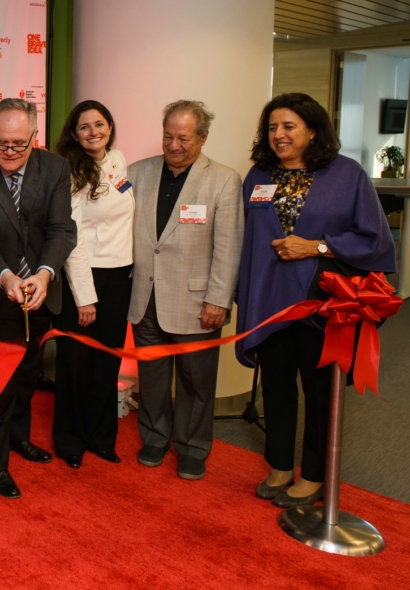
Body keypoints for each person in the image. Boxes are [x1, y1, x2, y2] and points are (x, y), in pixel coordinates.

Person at [236, 93, 395, 507]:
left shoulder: (347, 175)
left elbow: (374, 239)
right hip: (269, 300)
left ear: (312, 129)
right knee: (276, 385)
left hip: (322, 302)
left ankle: (315, 473)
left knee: (321, 391)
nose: (279, 135)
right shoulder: (258, 175)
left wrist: (318, 247)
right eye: (272, 127)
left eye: (289, 126)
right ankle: (281, 464)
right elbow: (245, 239)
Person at [0, 98, 76, 498]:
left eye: (18, 145)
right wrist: (6, 276)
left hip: (42, 289)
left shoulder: (56, 168)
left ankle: (18, 438)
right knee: (1, 380)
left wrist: (44, 274)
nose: (8, 152)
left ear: (34, 138)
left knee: (29, 373)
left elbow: (62, 229)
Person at [127, 100, 243, 481]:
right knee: (154, 377)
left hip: (197, 302)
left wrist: (218, 299)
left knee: (196, 381)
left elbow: (229, 246)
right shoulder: (137, 173)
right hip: (146, 298)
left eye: (183, 138)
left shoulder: (223, 179)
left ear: (203, 138)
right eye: (168, 136)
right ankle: (155, 437)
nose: (174, 145)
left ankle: (193, 447)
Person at [50, 100, 134, 469]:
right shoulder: (68, 172)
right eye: (84, 127)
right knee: (75, 363)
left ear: (110, 127)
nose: (93, 132)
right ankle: (69, 438)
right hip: (82, 278)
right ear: (73, 133)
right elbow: (74, 239)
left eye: (99, 124)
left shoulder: (118, 160)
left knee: (106, 362)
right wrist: (85, 297)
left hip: (120, 276)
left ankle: (101, 437)